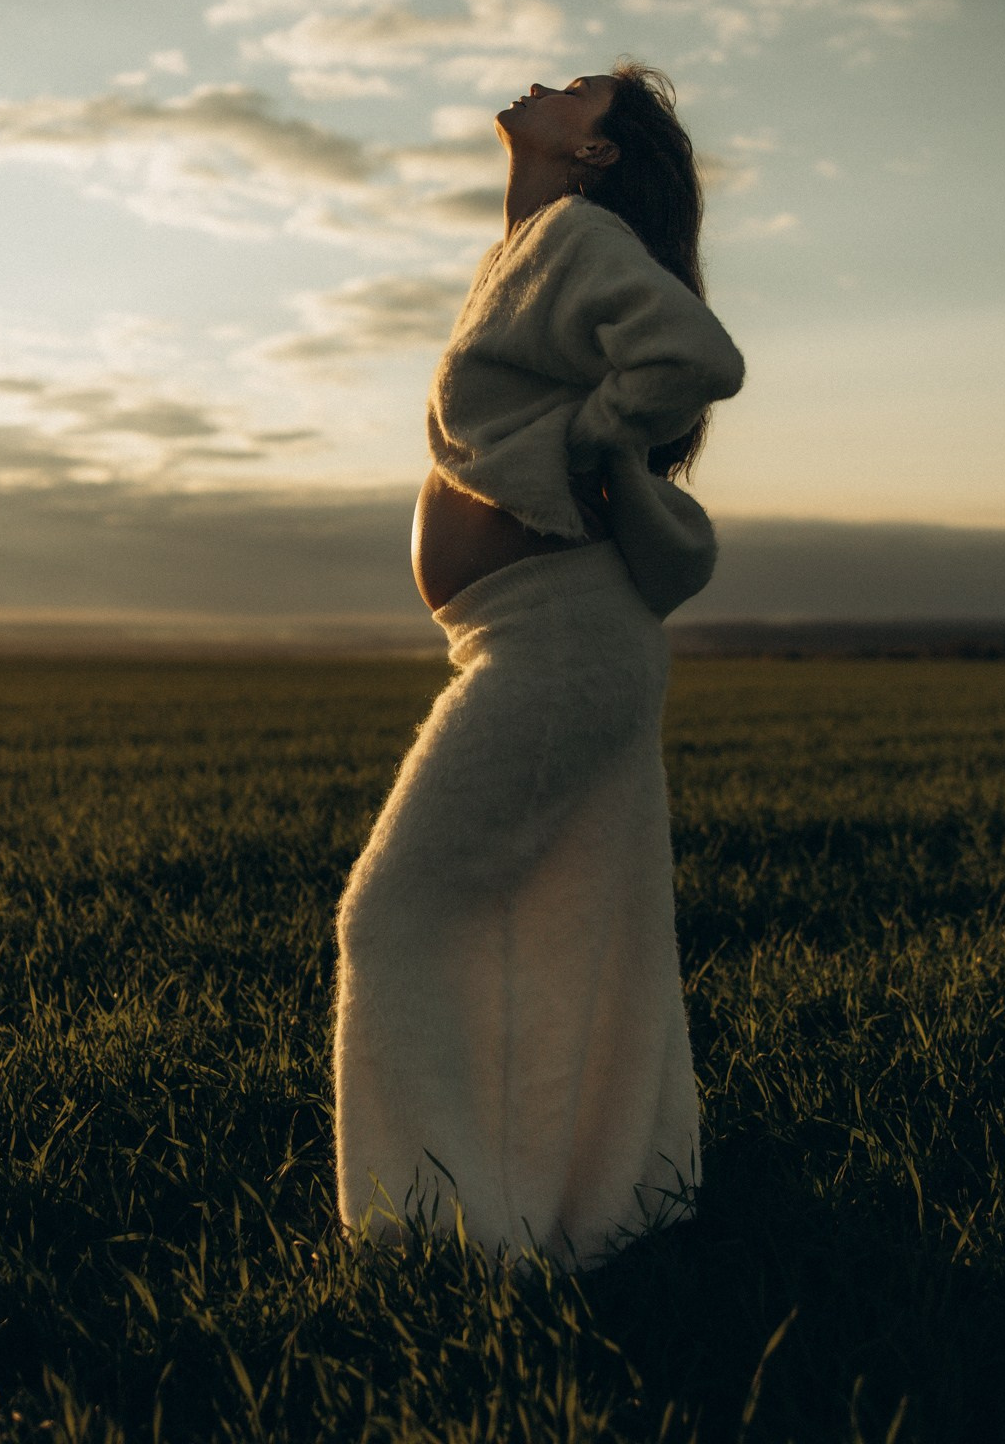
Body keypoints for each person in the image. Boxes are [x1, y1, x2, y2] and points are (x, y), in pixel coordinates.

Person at [333, 62, 745, 1270]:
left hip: (561, 637)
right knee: (574, 933)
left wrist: (587, 444)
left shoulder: (575, 233)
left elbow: (689, 355)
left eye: (576, 91)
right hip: (546, 632)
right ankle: (588, 1210)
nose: (540, 84)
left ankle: (437, 1244)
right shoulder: (528, 244)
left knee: (392, 914)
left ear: (598, 151)